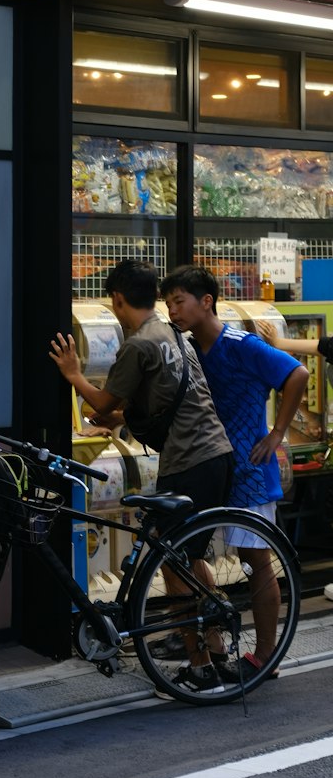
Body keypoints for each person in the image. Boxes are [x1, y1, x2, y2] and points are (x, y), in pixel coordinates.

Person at [50, 257, 234, 693]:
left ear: (116, 299)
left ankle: (200, 666)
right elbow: (137, 402)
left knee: (171, 562)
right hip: (215, 455)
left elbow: (103, 400)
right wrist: (113, 417)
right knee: (191, 559)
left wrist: (73, 374)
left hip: (189, 460)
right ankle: (218, 653)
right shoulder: (172, 332)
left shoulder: (138, 345)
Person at [161, 267, 307, 680]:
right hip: (215, 468)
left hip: (251, 469)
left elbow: (298, 373)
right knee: (195, 556)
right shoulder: (188, 347)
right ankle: (217, 651)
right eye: (168, 303)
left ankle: (265, 657)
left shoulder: (241, 344)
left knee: (257, 562)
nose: (173, 310)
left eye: (179, 301)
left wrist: (277, 432)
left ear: (206, 301)